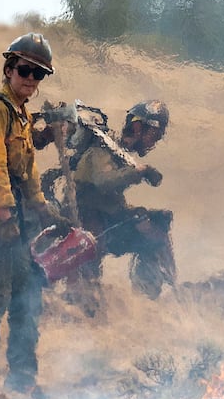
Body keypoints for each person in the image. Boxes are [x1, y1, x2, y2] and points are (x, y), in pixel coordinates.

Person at [0, 32, 69, 396]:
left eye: (39, 75)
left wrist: (43, 208)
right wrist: (4, 213)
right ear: (8, 69)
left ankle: (22, 380)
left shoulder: (18, 114)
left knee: (27, 299)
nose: (31, 79)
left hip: (14, 224)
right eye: (25, 70)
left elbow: (27, 171)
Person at [71, 99, 176, 300]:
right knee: (92, 256)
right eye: (154, 135)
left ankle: (149, 295)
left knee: (157, 228)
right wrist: (139, 173)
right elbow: (104, 181)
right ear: (137, 127)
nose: (154, 142)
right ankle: (83, 295)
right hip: (88, 218)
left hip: (108, 217)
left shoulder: (118, 153)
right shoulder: (101, 150)